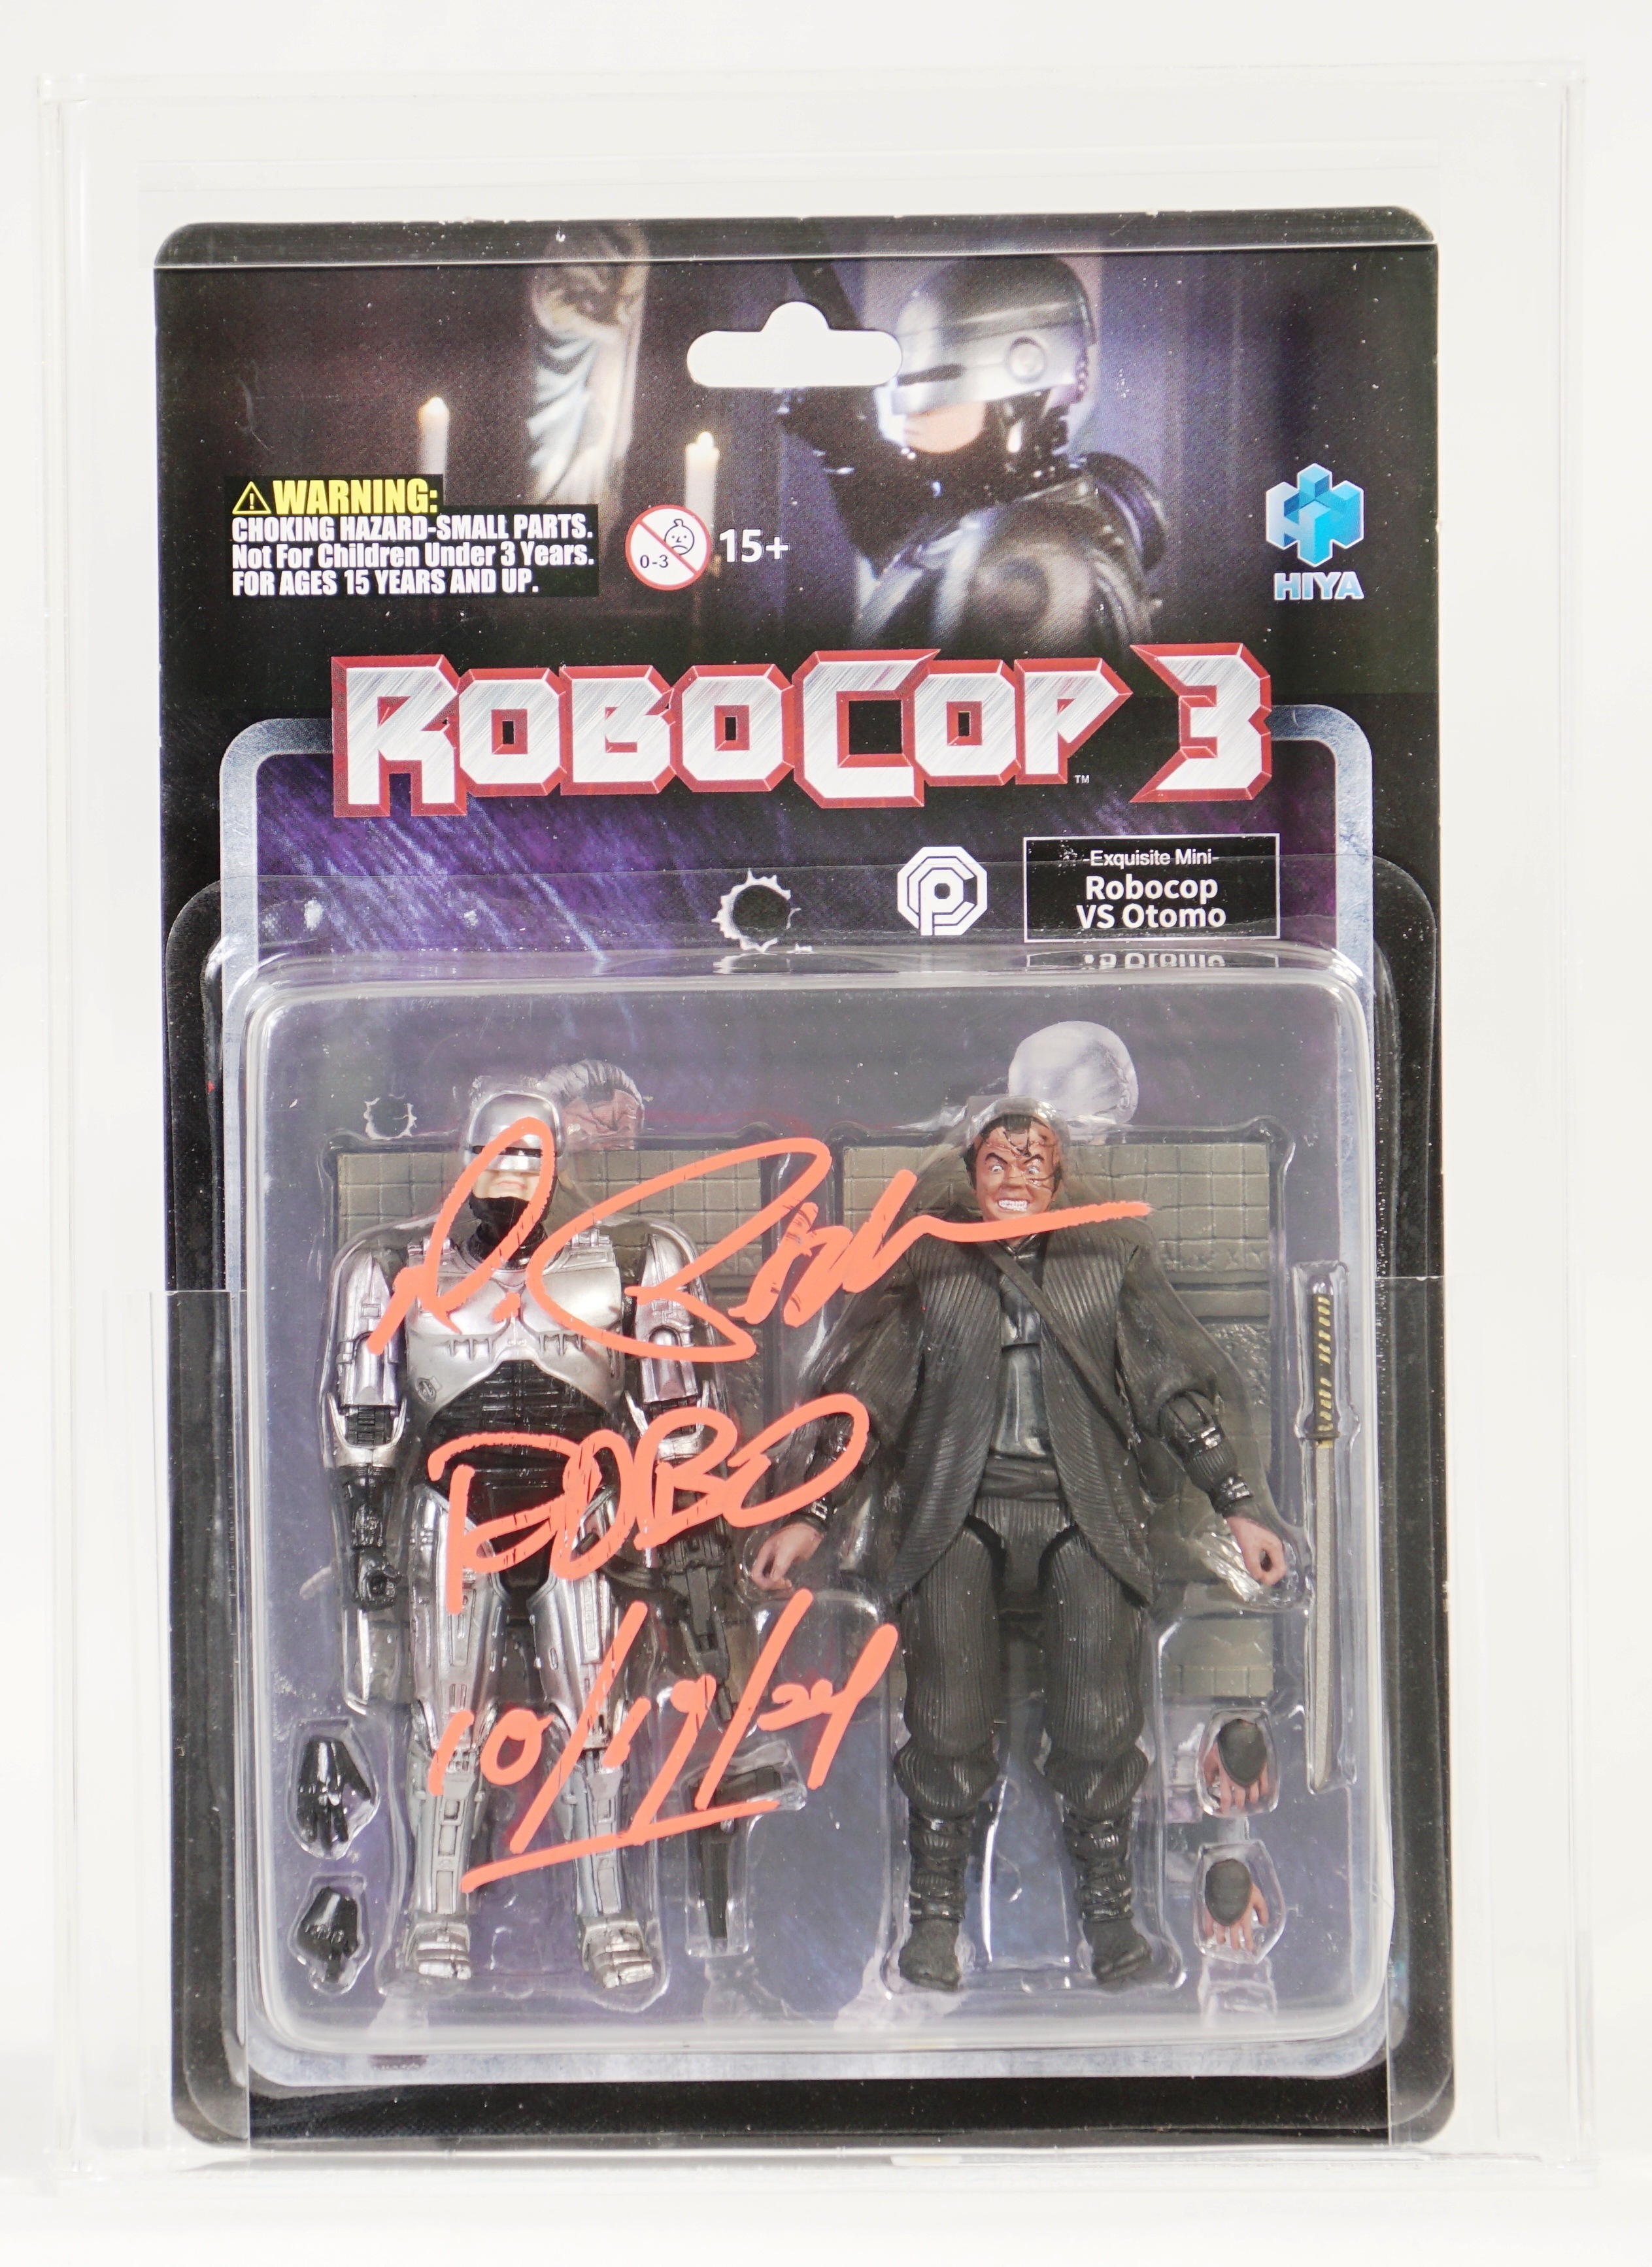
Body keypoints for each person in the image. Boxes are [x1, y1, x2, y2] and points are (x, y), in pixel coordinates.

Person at [751, 1101, 1284, 1990]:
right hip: (957, 1512)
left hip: (1083, 1511)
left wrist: (1237, 1503)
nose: (1013, 1179)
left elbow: (1172, 1392)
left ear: (1058, 1173)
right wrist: (811, 1513)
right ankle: (933, 1917)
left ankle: (1109, 1911)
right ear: (970, 1173)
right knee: (946, 1719)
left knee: (1098, 1720)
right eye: (996, 1164)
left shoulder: (1105, 1262)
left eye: (1031, 1164)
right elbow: (867, 1400)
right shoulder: (931, 1266)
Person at [312, 1081, 727, 1991]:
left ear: (558, 1165)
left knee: (594, 1729)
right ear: (465, 1163)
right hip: (452, 1509)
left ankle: (607, 1915)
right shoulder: (394, 1267)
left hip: (578, 1509)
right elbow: (366, 1414)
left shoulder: (630, 1256)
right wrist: (367, 1538)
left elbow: (675, 1411)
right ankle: (435, 1915)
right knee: (446, 1729)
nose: (510, 1175)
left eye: (530, 1158)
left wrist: (690, 1534)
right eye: (494, 1157)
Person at [781, 254, 1166, 662]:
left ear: (1019, 388)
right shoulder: (1039, 517)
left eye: (939, 388)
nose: (912, 417)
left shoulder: (1025, 560)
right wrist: (848, 440)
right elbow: (921, 548)